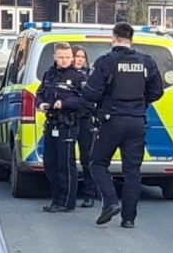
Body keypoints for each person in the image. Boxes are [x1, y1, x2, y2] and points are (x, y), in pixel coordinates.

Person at [80, 22, 164, 229]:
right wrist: (140, 103)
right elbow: (157, 91)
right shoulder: (146, 62)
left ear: (113, 38)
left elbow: (90, 93)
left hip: (112, 120)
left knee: (98, 163)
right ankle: (129, 219)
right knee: (132, 171)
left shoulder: (106, 61)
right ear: (131, 39)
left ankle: (109, 202)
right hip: (136, 121)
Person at [36, 42, 88, 213]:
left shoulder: (78, 77)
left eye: (67, 57)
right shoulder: (48, 74)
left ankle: (66, 202)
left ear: (72, 58)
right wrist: (41, 104)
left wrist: (64, 103)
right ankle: (56, 199)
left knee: (65, 164)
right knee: (50, 164)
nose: (64, 60)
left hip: (68, 124)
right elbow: (40, 94)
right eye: (61, 57)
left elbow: (85, 100)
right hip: (51, 123)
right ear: (55, 57)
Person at [71, 46, 97, 207]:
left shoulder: (90, 77)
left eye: (82, 56)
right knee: (68, 159)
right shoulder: (65, 75)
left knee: (87, 158)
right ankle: (69, 193)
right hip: (68, 119)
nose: (79, 59)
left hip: (85, 119)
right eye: (77, 56)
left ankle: (89, 194)